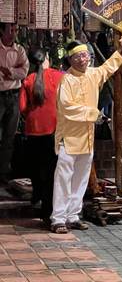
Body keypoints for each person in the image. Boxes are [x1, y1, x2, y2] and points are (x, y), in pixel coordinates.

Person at [50, 35, 122, 234]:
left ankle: (73, 215)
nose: (82, 59)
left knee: (80, 178)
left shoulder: (93, 74)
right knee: (63, 178)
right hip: (68, 139)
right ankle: (58, 218)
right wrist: (95, 114)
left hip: (87, 137)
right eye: (77, 56)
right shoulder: (66, 80)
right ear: (70, 60)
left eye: (85, 55)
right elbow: (67, 108)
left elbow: (108, 68)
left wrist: (120, 50)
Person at [19, 48, 63, 224]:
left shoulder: (28, 80)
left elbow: (22, 108)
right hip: (53, 130)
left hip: (33, 130)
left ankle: (37, 197)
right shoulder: (58, 76)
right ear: (47, 59)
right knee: (51, 170)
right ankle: (48, 208)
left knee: (37, 170)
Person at [0, 23, 29, 184]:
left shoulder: (19, 50)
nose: (13, 33)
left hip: (13, 96)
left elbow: (24, 71)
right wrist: (14, 70)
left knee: (9, 137)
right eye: (10, 29)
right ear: (2, 30)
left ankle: (3, 172)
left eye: (15, 30)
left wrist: (8, 71)